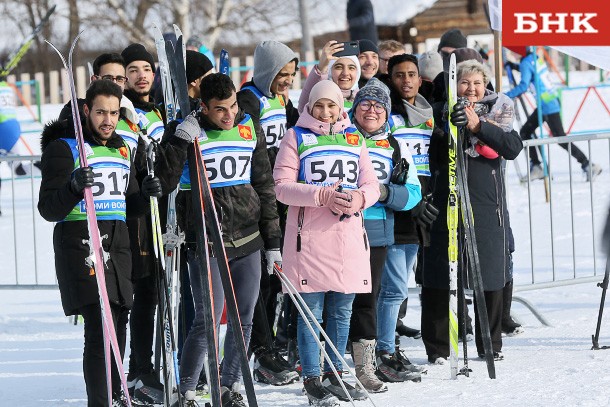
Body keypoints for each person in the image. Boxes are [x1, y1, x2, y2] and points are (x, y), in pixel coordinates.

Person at [37, 79, 163, 407]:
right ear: (86, 111)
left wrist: (147, 194)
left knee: (118, 320)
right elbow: (48, 208)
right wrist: (73, 187)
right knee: (98, 325)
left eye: (112, 113)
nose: (107, 120)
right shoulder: (64, 149)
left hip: (118, 243)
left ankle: (115, 391)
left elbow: (129, 202)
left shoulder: (122, 148)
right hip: (80, 244)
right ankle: (100, 401)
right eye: (100, 113)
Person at [171, 72, 282, 407]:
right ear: (204, 107)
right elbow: (163, 178)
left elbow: (264, 186)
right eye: (220, 109)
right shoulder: (190, 131)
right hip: (207, 239)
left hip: (248, 237)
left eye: (232, 105)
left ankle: (230, 385)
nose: (229, 114)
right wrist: (178, 141)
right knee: (208, 317)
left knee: (244, 316)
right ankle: (187, 389)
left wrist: (273, 242)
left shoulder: (250, 128)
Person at [273, 79, 379, 406]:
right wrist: (321, 194)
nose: (325, 111)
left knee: (342, 311)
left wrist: (359, 199)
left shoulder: (353, 138)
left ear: (340, 106)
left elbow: (372, 185)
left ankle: (335, 375)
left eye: (331, 105)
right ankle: (312, 379)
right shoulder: (296, 137)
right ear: (309, 106)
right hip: (310, 239)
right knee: (311, 314)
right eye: (319, 105)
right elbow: (282, 187)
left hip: (346, 237)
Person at [423, 57, 523, 363]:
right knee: (442, 275)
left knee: (490, 277)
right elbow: (432, 153)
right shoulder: (439, 111)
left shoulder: (500, 111)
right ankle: (439, 347)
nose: (471, 88)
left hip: (486, 205)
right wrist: (448, 126)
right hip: (448, 201)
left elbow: (512, 147)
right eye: (465, 82)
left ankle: (489, 342)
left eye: (477, 83)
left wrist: (478, 126)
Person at [346, 78, 423, 392]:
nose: (372, 110)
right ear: (354, 108)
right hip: (344, 227)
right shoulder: (343, 137)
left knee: (391, 292)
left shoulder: (394, 144)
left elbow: (413, 192)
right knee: (344, 298)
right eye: (365, 103)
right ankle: (337, 359)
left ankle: (385, 351)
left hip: (381, 227)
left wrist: (386, 191)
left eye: (379, 105)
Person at [237, 39, 300, 386]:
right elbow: (254, 147)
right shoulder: (249, 99)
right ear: (266, 71)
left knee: (274, 278)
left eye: (290, 74)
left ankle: (266, 344)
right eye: (281, 74)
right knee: (260, 279)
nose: (287, 81)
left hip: (278, 197)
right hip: (256, 198)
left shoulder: (278, 99)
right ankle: (260, 348)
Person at [379, 54, 440, 348]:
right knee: (391, 285)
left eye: (411, 74)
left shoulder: (428, 113)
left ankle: (387, 340)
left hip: (423, 199)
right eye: (400, 75)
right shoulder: (388, 114)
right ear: (391, 78)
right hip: (397, 203)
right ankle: (382, 345)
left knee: (402, 282)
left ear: (419, 78)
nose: (406, 80)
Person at [505, 46, 602, 181]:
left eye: (512, 50)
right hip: (550, 101)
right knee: (529, 132)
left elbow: (523, 85)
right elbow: (530, 71)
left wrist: (505, 95)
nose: (511, 53)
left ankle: (587, 164)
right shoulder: (534, 58)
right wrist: (515, 66)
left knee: (556, 137)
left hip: (547, 106)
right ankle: (538, 166)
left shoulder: (525, 63)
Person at [298, 40, 361, 115]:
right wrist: (321, 67)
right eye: (339, 67)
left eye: (351, 68)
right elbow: (304, 108)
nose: (345, 73)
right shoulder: (321, 98)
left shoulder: (363, 101)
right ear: (330, 71)